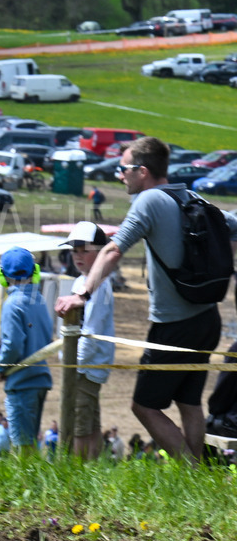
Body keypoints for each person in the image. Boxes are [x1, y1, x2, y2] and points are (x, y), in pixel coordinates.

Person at [56, 137, 237, 462]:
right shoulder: (190, 195)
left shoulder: (148, 201)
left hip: (173, 323)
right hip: (208, 318)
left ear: (142, 170)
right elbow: (232, 225)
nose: (119, 175)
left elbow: (113, 249)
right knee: (189, 402)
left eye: (123, 169)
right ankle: (198, 479)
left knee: (143, 406)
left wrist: (83, 293)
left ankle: (193, 473)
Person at [55, 221, 115, 460]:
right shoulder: (82, 282)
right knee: (89, 421)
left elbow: (90, 330)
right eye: (74, 250)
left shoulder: (97, 285)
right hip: (84, 364)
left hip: (85, 367)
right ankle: (92, 469)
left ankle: (76, 473)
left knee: (80, 423)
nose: (78, 256)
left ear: (100, 253)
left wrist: (73, 366)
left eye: (84, 250)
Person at [0, 247, 54, 448]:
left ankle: (27, 481)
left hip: (22, 383)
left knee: (23, 449)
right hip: (40, 379)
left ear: (2, 276)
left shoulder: (12, 304)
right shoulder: (40, 300)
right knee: (31, 445)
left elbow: (12, 345)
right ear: (35, 272)